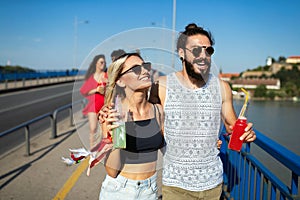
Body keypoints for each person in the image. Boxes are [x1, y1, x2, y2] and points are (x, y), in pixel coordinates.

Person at [147, 23, 256, 200]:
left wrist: (245, 134)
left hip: (212, 184)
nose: (203, 56)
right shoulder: (162, 86)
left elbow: (231, 127)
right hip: (176, 185)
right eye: (196, 50)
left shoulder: (222, 87)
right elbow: (141, 116)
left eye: (208, 51)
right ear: (181, 53)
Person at [99, 53, 164, 200]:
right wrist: (119, 131)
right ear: (120, 81)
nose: (145, 71)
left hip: (150, 190)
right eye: (136, 69)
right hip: (119, 190)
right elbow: (111, 171)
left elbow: (170, 149)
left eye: (145, 66)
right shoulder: (112, 113)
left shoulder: (158, 111)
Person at [80, 54, 108, 149]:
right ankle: (93, 150)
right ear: (96, 63)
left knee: (105, 129)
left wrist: (107, 83)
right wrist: (96, 90)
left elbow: (112, 89)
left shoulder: (106, 75)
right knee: (93, 129)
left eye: (104, 62)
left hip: (105, 105)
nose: (103, 64)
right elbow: (84, 91)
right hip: (93, 105)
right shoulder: (91, 77)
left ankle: (102, 148)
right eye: (101, 62)